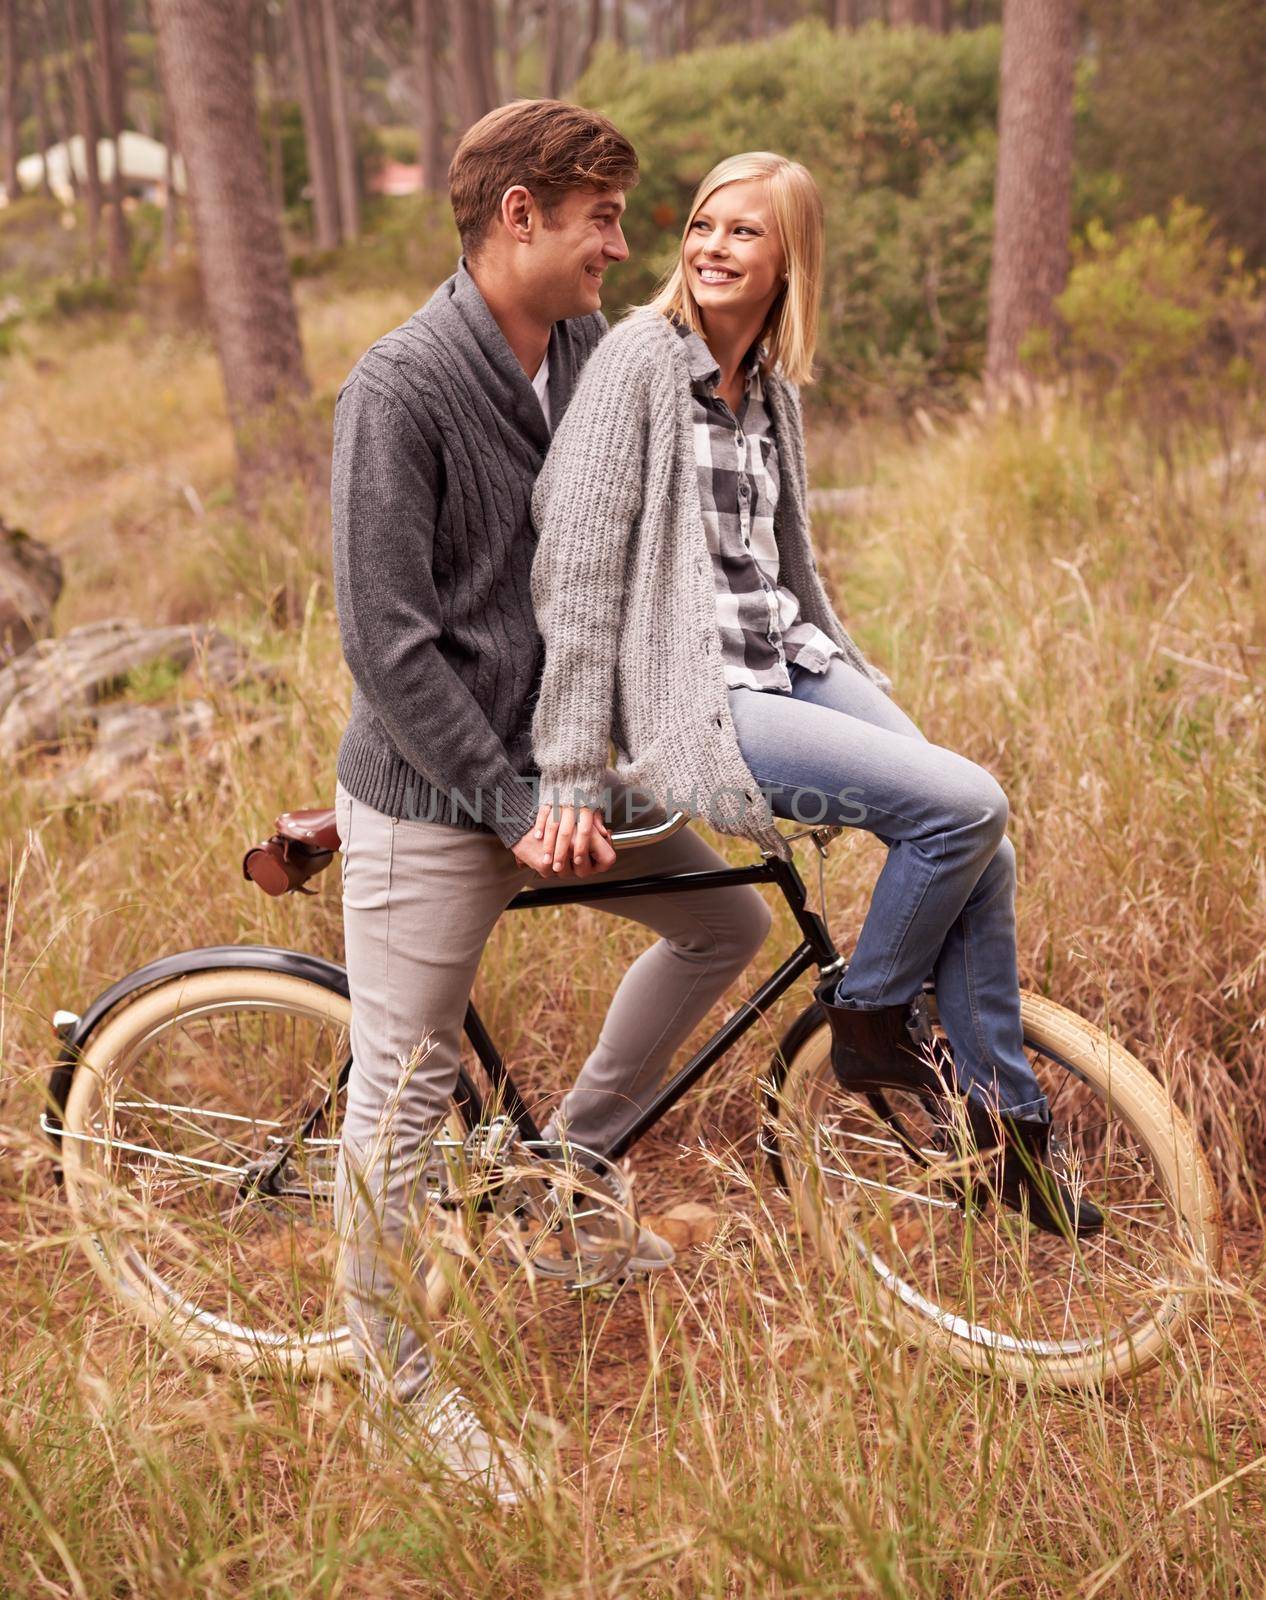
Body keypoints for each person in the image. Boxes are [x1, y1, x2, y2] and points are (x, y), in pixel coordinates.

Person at [529, 150, 1102, 1247]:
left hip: (786, 663)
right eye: (702, 223)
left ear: (791, 258)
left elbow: (786, 574)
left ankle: (1003, 1125)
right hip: (694, 702)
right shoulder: (638, 361)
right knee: (965, 806)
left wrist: (852, 679)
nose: (709, 246)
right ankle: (871, 1019)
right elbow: (577, 571)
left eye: (743, 232)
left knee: (988, 837)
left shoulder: (772, 394)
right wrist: (568, 768)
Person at [330, 105, 773, 1504]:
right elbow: (385, 638)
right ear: (518, 214)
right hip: (434, 789)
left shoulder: (590, 352)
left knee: (722, 927)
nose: (620, 245)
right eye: (600, 217)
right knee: (396, 1105)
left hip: (572, 774)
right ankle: (402, 1400)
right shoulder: (397, 389)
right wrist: (508, 798)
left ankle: (561, 1177)